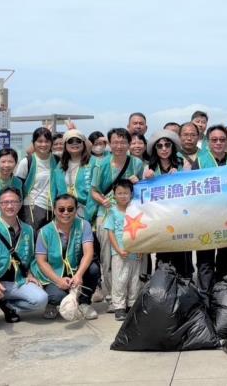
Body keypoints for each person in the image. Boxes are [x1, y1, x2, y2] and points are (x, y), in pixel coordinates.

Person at [0, 187, 47, 335]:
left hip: (17, 281)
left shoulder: (29, 230)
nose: (10, 206)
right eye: (5, 202)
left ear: (20, 204)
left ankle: (10, 307)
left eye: (14, 202)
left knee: (41, 299)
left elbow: (33, 258)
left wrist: (31, 274)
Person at [91, 128, 144, 302]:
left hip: (131, 217)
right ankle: (113, 297)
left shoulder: (136, 163)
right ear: (109, 144)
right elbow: (94, 191)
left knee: (132, 256)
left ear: (129, 144)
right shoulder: (101, 164)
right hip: (107, 214)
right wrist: (102, 201)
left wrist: (140, 181)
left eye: (123, 142)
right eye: (115, 142)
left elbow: (143, 188)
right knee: (109, 257)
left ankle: (131, 296)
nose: (119, 146)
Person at [32, 194, 100, 320]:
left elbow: (88, 252)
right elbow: (41, 262)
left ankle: (84, 303)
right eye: (61, 209)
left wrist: (79, 275)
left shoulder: (84, 225)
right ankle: (52, 304)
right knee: (57, 296)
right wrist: (58, 280)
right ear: (54, 210)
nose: (66, 213)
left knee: (94, 269)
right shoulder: (44, 231)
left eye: (70, 209)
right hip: (53, 273)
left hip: (75, 269)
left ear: (76, 209)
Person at [194, 125, 227, 292]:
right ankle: (204, 299)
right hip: (205, 218)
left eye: (222, 139)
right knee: (205, 261)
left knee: (224, 259)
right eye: (214, 140)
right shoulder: (199, 161)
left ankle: (222, 298)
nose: (219, 143)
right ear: (208, 141)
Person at [144, 129, 194, 277]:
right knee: (163, 255)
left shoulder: (183, 164)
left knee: (183, 254)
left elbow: (192, 187)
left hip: (180, 218)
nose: (164, 149)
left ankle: (185, 285)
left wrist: (181, 177)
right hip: (160, 220)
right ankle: (163, 285)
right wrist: (144, 179)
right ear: (155, 149)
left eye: (167, 145)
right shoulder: (149, 169)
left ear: (173, 147)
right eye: (160, 146)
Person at [102, 179, 142, 321]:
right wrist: (118, 250)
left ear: (131, 194)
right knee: (119, 279)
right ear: (114, 195)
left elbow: (142, 231)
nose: (123, 196)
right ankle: (119, 307)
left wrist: (140, 248)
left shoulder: (136, 210)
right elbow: (111, 232)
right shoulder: (112, 211)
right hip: (119, 253)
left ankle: (131, 305)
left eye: (126, 193)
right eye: (119, 193)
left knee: (134, 280)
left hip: (135, 252)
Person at [14, 127, 58, 232]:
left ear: (51, 143)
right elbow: (17, 187)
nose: (43, 144)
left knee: (47, 243)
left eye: (47, 141)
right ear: (33, 143)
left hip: (52, 208)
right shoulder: (27, 162)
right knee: (32, 241)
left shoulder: (57, 160)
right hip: (32, 208)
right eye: (40, 141)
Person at [52, 129, 94, 220]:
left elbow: (97, 189)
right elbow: (54, 190)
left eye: (78, 141)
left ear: (83, 143)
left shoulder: (93, 163)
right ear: (65, 145)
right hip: (64, 212)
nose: (74, 144)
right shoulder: (59, 166)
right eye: (70, 141)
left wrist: (91, 213)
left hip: (86, 212)